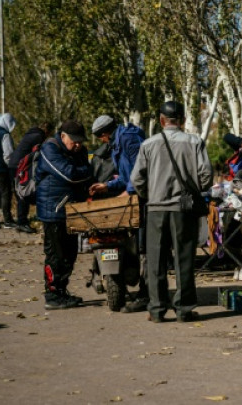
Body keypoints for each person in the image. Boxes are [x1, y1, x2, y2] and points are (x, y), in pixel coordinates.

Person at [132, 101, 212, 323]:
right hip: (183, 209)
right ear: (183, 120)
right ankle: (184, 309)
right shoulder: (195, 142)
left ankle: (157, 310)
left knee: (155, 259)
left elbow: (136, 179)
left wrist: (151, 193)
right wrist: (192, 188)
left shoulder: (148, 144)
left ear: (161, 120)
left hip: (156, 209)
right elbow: (206, 176)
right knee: (184, 259)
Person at [88, 115, 148, 313]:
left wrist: (129, 192)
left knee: (146, 249)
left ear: (105, 134)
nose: (102, 142)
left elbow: (141, 169)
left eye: (101, 138)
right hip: (134, 198)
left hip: (144, 200)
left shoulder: (129, 139)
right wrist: (107, 186)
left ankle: (147, 294)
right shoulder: (117, 142)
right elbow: (125, 175)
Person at [35, 119, 92, 310]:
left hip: (72, 209)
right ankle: (52, 294)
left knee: (70, 254)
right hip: (54, 210)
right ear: (63, 136)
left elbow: (82, 172)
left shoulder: (79, 151)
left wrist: (85, 172)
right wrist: (88, 171)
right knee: (55, 255)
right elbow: (69, 174)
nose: (77, 145)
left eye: (80, 141)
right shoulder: (49, 149)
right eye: (74, 141)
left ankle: (61, 290)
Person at [8, 122, 51, 234]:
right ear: (47, 131)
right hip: (20, 166)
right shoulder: (39, 136)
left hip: (14, 164)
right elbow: (39, 153)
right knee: (24, 193)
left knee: (20, 193)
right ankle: (22, 222)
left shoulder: (31, 134)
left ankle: (21, 221)